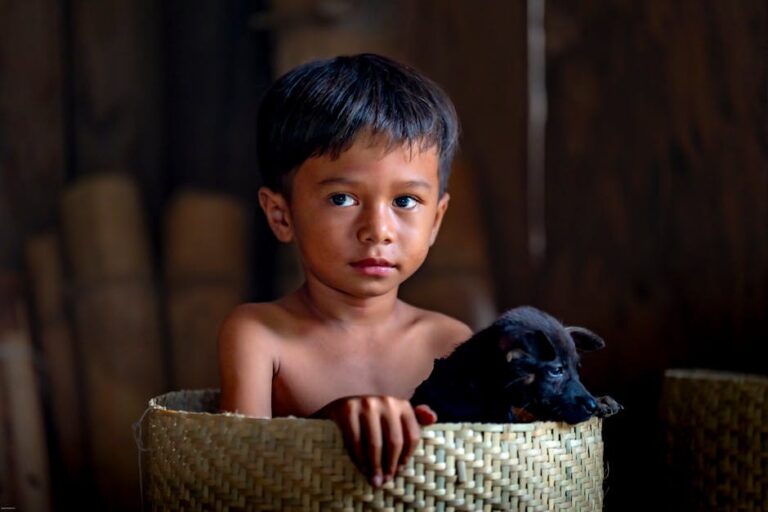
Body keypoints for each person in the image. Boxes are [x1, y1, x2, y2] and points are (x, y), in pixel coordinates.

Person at [218, 53, 472, 488]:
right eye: (342, 199)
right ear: (281, 215)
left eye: (405, 201)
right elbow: (237, 479)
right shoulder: (260, 335)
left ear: (436, 220)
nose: (377, 230)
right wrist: (330, 424)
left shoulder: (451, 344)